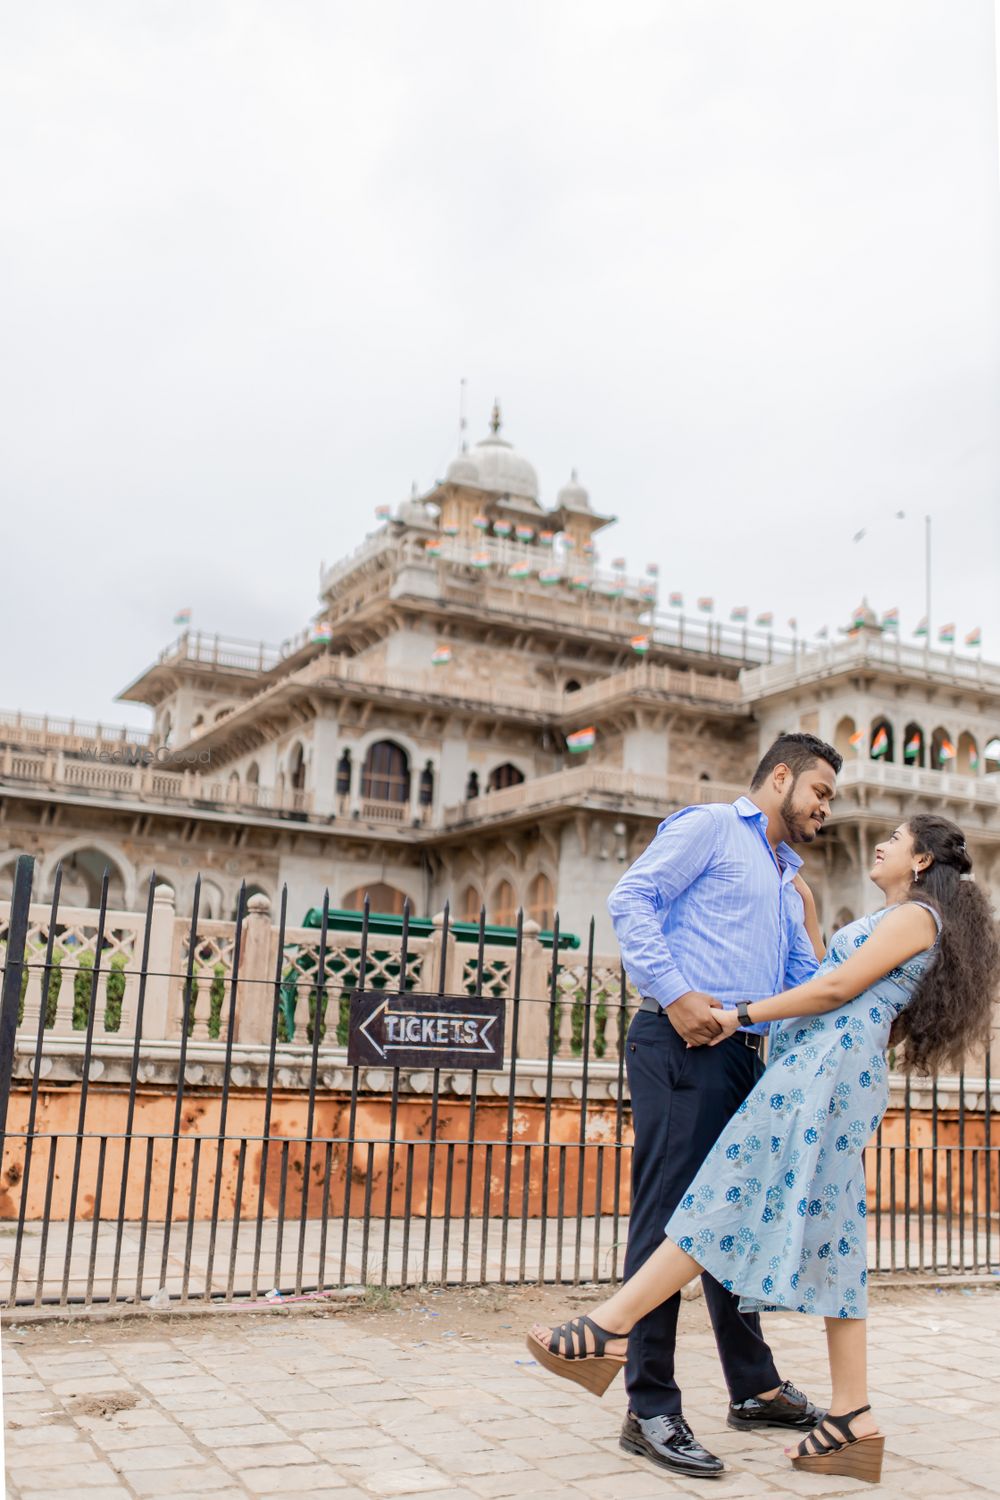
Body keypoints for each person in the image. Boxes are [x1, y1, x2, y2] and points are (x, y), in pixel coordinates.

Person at [528, 813, 999, 1485]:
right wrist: (805, 915)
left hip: (822, 1075)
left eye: (894, 840)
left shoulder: (917, 918)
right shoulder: (905, 919)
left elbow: (834, 991)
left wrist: (738, 1014)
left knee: (728, 1195)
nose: (881, 844)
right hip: (833, 1070)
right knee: (833, 1236)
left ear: (921, 861)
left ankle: (609, 1328)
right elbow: (833, 980)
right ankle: (851, 1417)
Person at [600, 732, 841, 1478]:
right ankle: (650, 1406)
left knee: (727, 1221)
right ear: (779, 777)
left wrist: (811, 919)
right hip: (679, 1046)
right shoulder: (709, 826)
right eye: (819, 792)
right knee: (671, 1222)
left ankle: (753, 1386)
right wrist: (674, 995)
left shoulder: (784, 875)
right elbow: (630, 898)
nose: (825, 809)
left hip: (743, 1056)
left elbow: (805, 982)